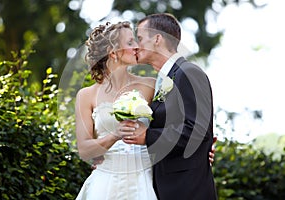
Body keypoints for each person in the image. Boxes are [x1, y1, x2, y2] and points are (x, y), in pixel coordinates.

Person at [75, 20, 215, 200]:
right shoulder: (86, 95)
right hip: (106, 180)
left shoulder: (152, 85)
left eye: (138, 39)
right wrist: (113, 137)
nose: (136, 46)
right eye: (131, 42)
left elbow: (181, 123)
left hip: (146, 180)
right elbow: (85, 149)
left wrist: (204, 148)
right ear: (113, 52)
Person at [121, 13, 218, 200]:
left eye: (139, 38)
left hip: (187, 190)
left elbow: (197, 131)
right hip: (165, 187)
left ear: (157, 39)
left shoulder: (188, 72)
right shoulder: (162, 80)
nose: (135, 45)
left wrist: (148, 135)